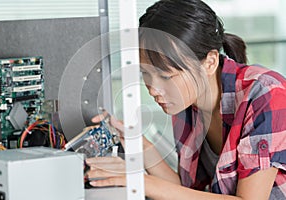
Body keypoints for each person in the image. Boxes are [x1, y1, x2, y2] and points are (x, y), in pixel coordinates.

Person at [86, 0, 286, 199]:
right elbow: (187, 193)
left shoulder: (267, 94)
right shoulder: (187, 102)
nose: (153, 90)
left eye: (166, 76)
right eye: (145, 74)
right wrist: (138, 144)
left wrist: (139, 181)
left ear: (210, 62)